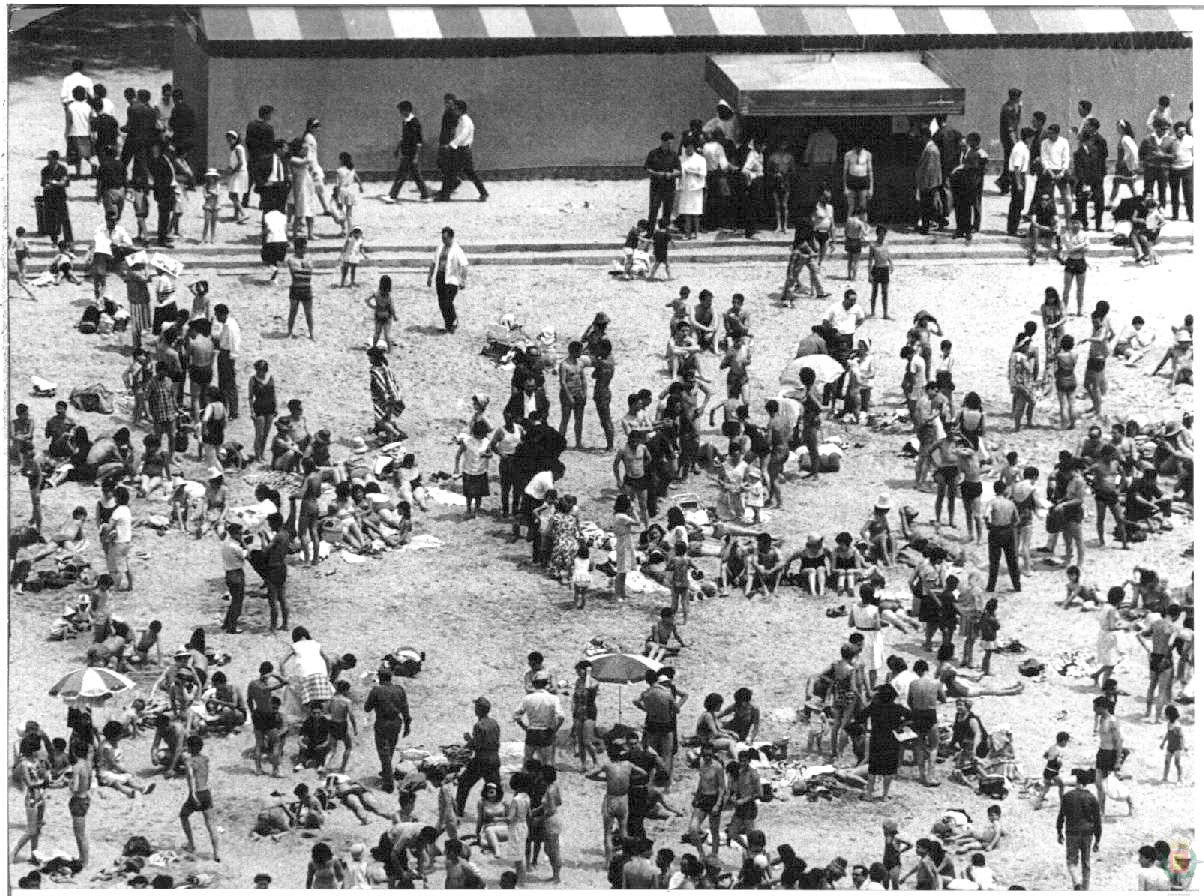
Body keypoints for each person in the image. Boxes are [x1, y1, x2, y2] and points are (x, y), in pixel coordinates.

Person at [364, 668, 412, 792]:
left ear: (380, 678)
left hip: (382, 723)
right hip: (396, 723)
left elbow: (367, 708)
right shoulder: (399, 690)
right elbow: (405, 709)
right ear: (390, 677)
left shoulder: (376, 690)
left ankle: (388, 781)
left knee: (383, 752)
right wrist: (407, 725)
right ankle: (387, 771)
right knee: (390, 749)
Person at [1057, 769, 1102, 890]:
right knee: (1086, 863)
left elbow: (1061, 815)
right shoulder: (1092, 797)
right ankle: (1085, 889)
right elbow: (1097, 820)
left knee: (1071, 862)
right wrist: (1098, 839)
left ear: (1076, 781)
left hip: (1072, 832)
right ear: (1087, 783)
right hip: (1088, 833)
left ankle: (1077, 883)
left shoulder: (1067, 796)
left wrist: (1059, 832)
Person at [514, 670, 564, 766]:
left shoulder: (527, 698)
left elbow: (516, 715)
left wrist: (524, 727)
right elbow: (561, 717)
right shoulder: (553, 698)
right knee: (546, 762)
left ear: (534, 684)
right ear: (546, 684)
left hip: (532, 731)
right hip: (546, 732)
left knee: (527, 759)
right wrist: (554, 730)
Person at [387, 100, 430, 203]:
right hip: (406, 152)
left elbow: (418, 141)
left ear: (407, 110)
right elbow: (403, 138)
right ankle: (425, 195)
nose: (400, 113)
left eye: (401, 111)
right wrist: (398, 148)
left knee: (401, 175)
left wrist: (416, 156)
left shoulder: (414, 122)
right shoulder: (405, 122)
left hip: (411, 153)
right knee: (416, 175)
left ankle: (393, 195)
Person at [427, 226, 468, 333]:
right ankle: (448, 325)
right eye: (442, 238)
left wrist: (463, 280)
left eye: (445, 238)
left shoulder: (457, 250)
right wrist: (430, 276)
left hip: (452, 279)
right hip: (440, 276)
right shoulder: (440, 247)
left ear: (451, 238)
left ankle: (453, 320)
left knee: (448, 302)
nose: (443, 240)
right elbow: (433, 262)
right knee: (441, 303)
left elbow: (464, 265)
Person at [646, 130, 680, 230]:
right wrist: (656, 174)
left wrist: (672, 174)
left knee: (667, 210)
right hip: (656, 186)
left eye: (671, 143)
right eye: (668, 143)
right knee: (653, 209)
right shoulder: (653, 153)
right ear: (663, 142)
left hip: (669, 186)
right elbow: (647, 168)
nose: (670, 145)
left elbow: (679, 170)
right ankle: (650, 230)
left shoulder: (673, 154)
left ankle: (664, 231)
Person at [40, 149, 73, 246]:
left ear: (55, 159)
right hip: (49, 197)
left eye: (50, 158)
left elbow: (65, 183)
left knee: (65, 219)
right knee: (51, 219)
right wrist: (49, 184)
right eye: (47, 158)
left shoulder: (62, 169)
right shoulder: (45, 170)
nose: (48, 160)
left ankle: (69, 239)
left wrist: (54, 183)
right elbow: (42, 183)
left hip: (60, 197)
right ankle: (54, 239)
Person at [286, 238, 315, 340]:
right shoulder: (291, 259)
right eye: (303, 248)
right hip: (297, 288)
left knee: (309, 313)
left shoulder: (307, 258)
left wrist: (302, 270)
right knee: (293, 311)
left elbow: (309, 272)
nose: (305, 250)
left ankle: (311, 333)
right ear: (297, 249)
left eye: (305, 248)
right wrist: (305, 270)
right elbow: (297, 273)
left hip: (305, 288)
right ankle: (289, 332)